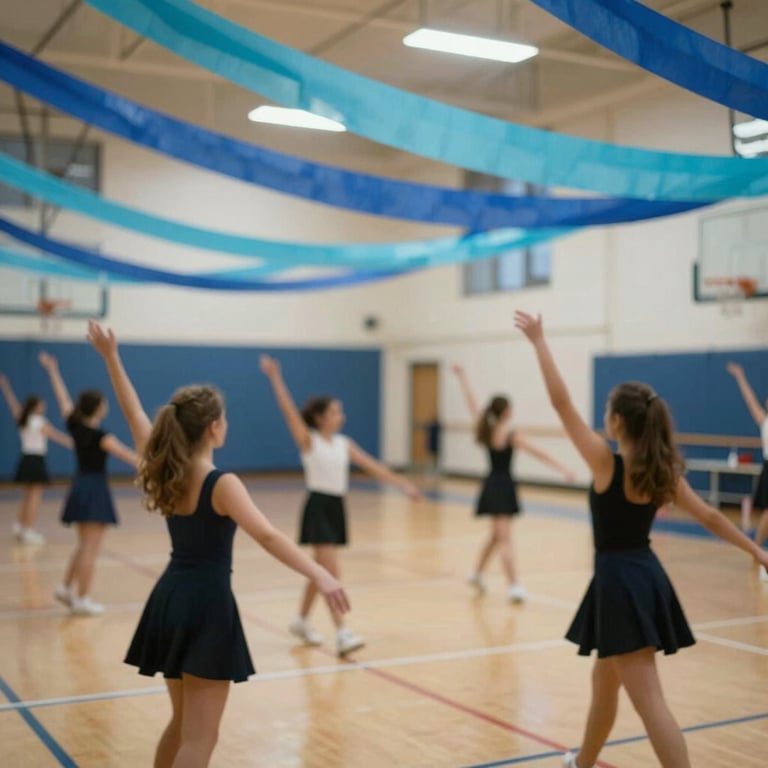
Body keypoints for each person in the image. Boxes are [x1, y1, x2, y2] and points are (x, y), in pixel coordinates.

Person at [87, 322, 350, 768]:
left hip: (169, 598)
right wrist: (320, 571)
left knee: (181, 722)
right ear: (214, 427)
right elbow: (267, 535)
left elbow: (133, 415)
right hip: (206, 605)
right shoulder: (220, 483)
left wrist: (111, 357)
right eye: (224, 419)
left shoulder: (164, 467)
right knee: (200, 739)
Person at [514, 311, 768, 768]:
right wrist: (755, 549)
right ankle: (582, 763)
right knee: (603, 685)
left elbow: (561, 404)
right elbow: (710, 515)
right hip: (642, 576)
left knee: (649, 703)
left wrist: (539, 344)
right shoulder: (661, 470)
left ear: (615, 422)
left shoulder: (605, 463)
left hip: (620, 584)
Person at [260, 354, 421, 656]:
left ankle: (301, 621)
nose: (340, 415)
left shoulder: (344, 444)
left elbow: (374, 467)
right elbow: (288, 411)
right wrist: (274, 377)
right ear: (320, 417)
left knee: (320, 569)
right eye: (335, 411)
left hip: (337, 508)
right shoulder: (309, 441)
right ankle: (342, 632)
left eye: (340, 411)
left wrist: (403, 484)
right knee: (331, 571)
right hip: (318, 507)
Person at [451, 364, 575, 601]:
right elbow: (539, 453)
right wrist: (563, 468)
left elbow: (472, 403)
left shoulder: (487, 429)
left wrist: (463, 377)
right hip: (503, 486)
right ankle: (514, 585)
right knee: (504, 537)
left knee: (497, 535)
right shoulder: (509, 434)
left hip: (492, 484)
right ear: (506, 411)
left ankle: (476, 574)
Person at [38, 351, 139, 616]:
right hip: (94, 489)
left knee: (84, 545)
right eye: (104, 404)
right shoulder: (101, 436)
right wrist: (156, 468)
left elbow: (62, 399)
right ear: (98, 408)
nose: (107, 406)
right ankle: (83, 598)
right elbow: (130, 457)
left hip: (80, 486)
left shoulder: (75, 426)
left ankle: (65, 587)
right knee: (91, 548)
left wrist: (53, 371)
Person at [0, 373, 72, 544]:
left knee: (27, 495)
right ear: (35, 407)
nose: (44, 406)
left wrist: (5, 387)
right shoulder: (39, 421)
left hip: (26, 459)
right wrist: (73, 442)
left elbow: (13, 404)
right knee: (35, 497)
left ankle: (20, 526)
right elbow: (55, 435)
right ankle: (29, 530)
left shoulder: (23, 419)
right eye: (41, 404)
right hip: (36, 459)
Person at [726, 362, 768, 575]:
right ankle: (757, 548)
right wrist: (740, 377)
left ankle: (757, 548)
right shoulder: (765, 422)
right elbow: (750, 399)